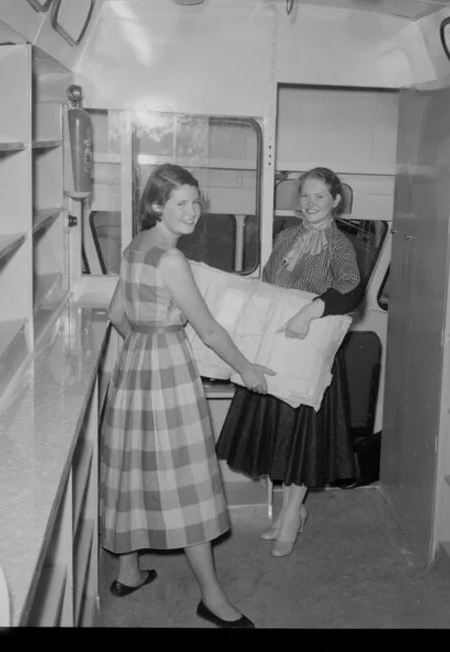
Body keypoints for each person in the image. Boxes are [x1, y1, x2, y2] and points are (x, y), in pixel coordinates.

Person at [100, 163, 274, 629]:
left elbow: (118, 312)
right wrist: (247, 369)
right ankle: (212, 599)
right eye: (182, 203)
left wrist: (146, 339)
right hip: (167, 372)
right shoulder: (171, 260)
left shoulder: (136, 246)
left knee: (135, 469)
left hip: (135, 363)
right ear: (157, 206)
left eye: (197, 202)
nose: (193, 211)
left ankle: (129, 570)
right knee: (189, 480)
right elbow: (211, 331)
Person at [216, 167, 361, 557]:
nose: (310, 203)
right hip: (277, 348)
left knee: (303, 438)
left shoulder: (340, 245)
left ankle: (291, 515)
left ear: (335, 201)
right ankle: (288, 512)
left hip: (313, 354)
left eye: (319, 196)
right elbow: (266, 285)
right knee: (281, 434)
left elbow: (349, 290)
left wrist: (311, 309)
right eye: (305, 196)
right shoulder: (284, 237)